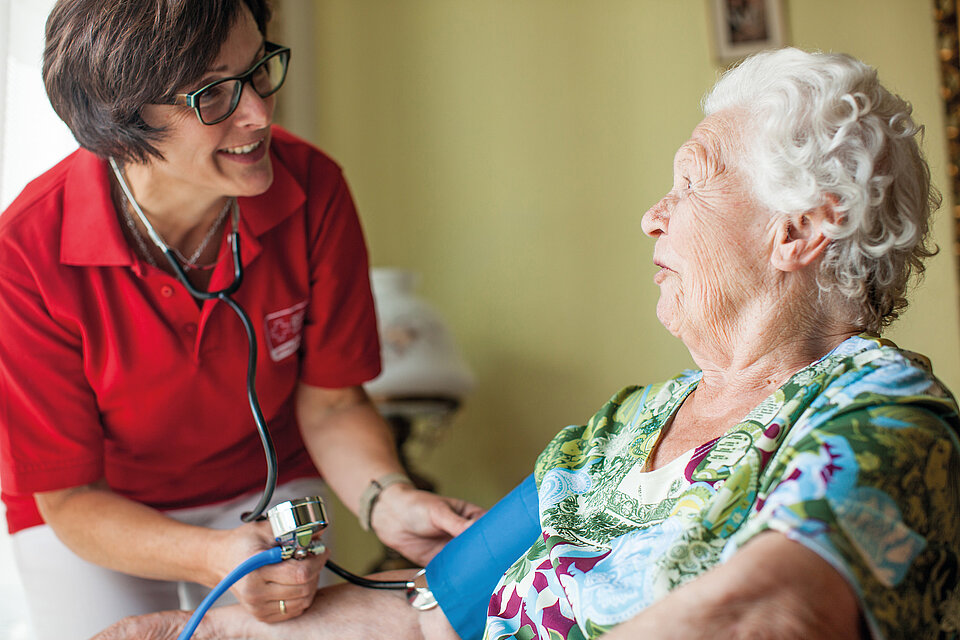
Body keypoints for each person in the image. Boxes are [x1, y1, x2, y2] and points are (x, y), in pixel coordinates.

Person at [92, 47, 960, 640]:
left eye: (691, 184)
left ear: (800, 232)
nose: (651, 216)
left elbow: (768, 612)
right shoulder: (618, 431)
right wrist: (203, 629)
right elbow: (427, 614)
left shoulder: (884, 417)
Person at [0, 1, 483, 639]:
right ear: (120, 120)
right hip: (103, 512)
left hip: (268, 477)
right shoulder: (25, 252)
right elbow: (67, 497)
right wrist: (211, 558)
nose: (258, 112)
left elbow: (334, 406)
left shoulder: (314, 189)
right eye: (212, 94)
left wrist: (386, 499)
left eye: (258, 71)